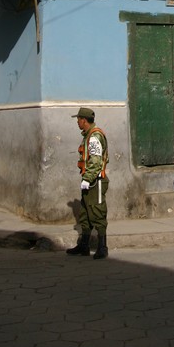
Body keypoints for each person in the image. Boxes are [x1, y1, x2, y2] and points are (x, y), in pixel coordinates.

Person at [66, 107, 109, 259]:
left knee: (97, 212)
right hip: (89, 181)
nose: (77, 122)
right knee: (85, 213)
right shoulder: (88, 136)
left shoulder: (94, 137)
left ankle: (102, 247)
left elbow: (96, 162)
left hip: (95, 182)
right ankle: (84, 246)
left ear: (84, 120)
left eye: (78, 119)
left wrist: (87, 179)